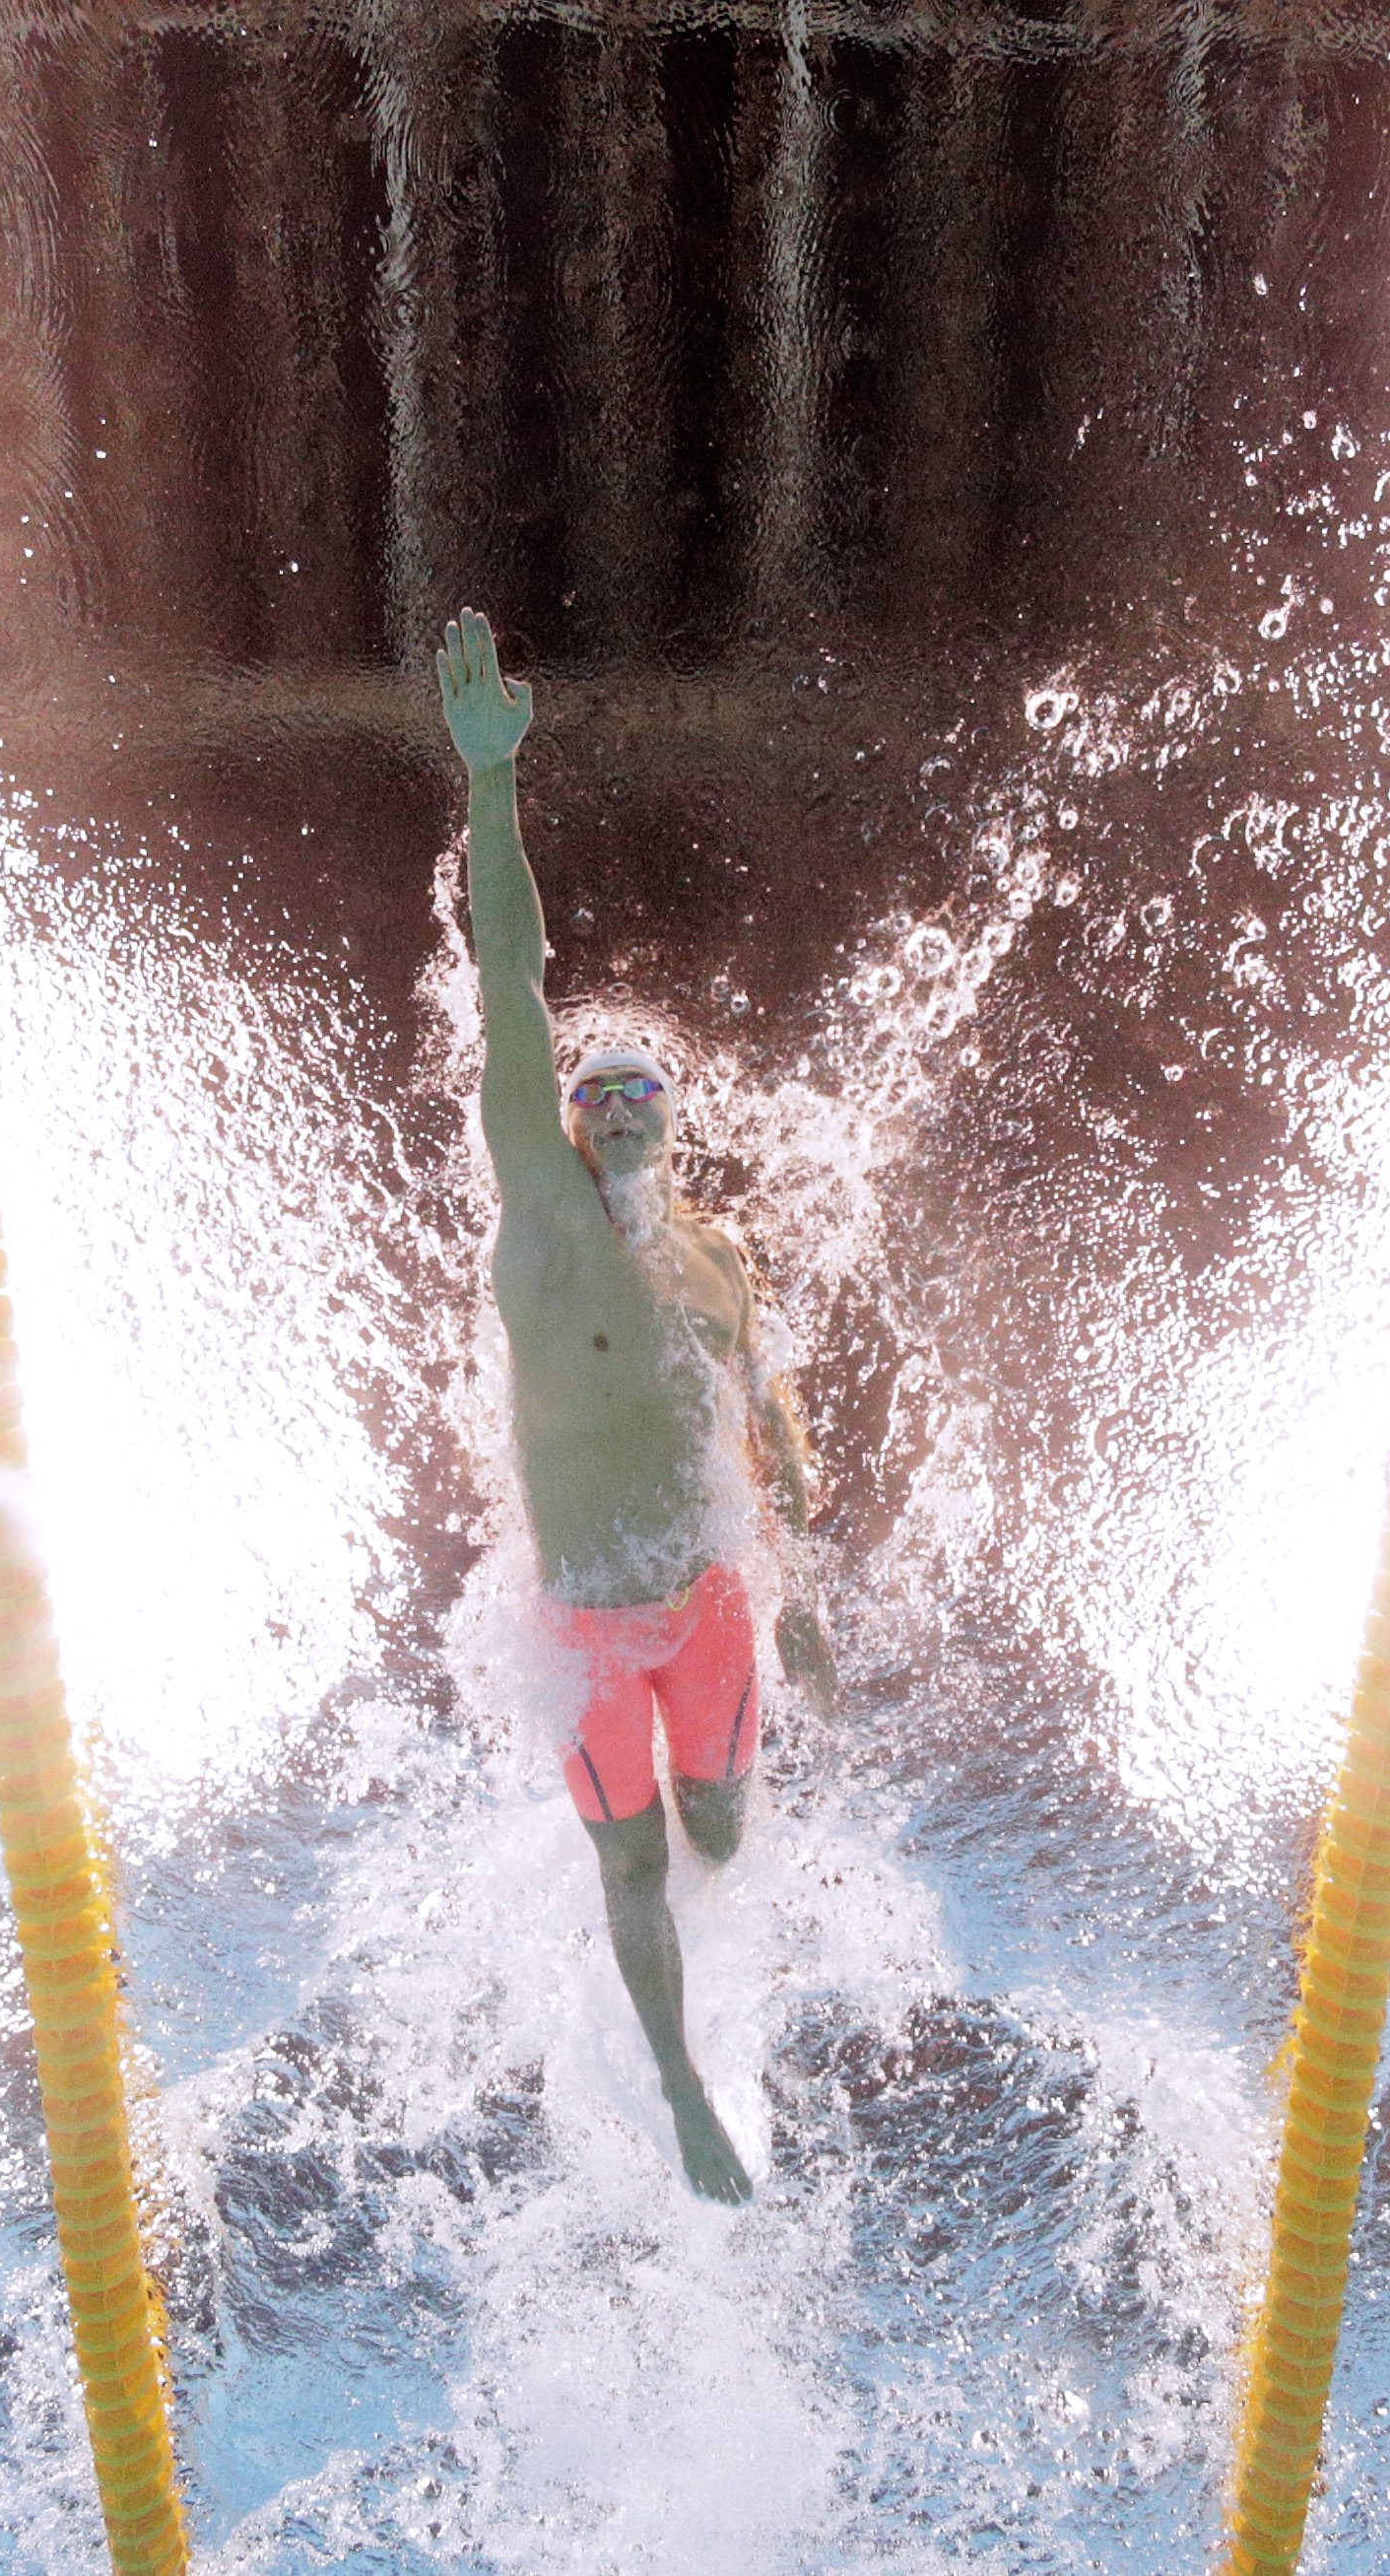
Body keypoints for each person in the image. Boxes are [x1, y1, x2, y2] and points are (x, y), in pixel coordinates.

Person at [436, 610, 828, 2203]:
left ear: (670, 1123)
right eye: (586, 1095)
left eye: (631, 1091)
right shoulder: (536, 1217)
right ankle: (673, 2079)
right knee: (632, 1855)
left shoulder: (716, 1257)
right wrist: (490, 785)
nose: (600, 1108)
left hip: (710, 1605)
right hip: (592, 1627)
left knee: (720, 1829)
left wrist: (797, 1587)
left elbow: (768, 1412)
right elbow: (512, 982)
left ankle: (715, 1866)